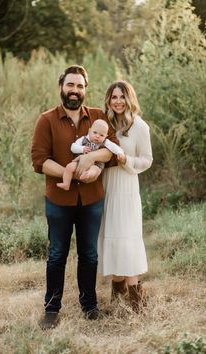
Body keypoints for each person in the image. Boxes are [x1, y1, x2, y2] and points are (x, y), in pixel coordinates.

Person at [31, 65, 117, 330]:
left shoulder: (99, 117)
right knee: (57, 255)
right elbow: (39, 161)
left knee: (89, 255)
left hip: (92, 200)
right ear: (61, 86)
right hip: (59, 199)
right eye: (70, 85)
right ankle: (52, 309)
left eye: (80, 86)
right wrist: (77, 175)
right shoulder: (46, 119)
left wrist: (92, 158)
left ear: (85, 89)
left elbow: (112, 150)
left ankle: (89, 305)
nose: (75, 91)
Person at [98, 80, 153, 313]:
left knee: (128, 239)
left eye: (122, 96)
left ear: (129, 99)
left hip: (127, 187)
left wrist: (126, 161)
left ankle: (136, 300)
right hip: (107, 188)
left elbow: (147, 160)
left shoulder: (139, 126)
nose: (118, 101)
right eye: (114, 97)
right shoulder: (106, 125)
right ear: (109, 100)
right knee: (111, 236)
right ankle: (117, 292)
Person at [57, 119, 124, 190]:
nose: (97, 136)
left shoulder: (105, 142)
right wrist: (82, 149)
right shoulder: (83, 139)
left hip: (97, 164)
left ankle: (87, 175)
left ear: (105, 136)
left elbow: (114, 147)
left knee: (94, 171)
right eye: (95, 132)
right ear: (89, 131)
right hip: (80, 162)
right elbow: (73, 147)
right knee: (69, 167)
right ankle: (66, 183)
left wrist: (120, 153)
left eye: (101, 135)